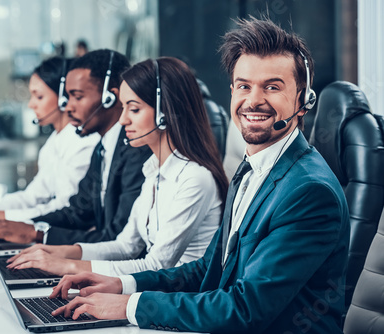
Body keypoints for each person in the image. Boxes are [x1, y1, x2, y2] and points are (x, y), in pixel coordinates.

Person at [49, 17, 350, 334]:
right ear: (232, 92)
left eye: (272, 87)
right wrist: (122, 284)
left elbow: (246, 309)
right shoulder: (253, 169)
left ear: (303, 100)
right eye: (244, 86)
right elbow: (210, 269)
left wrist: (129, 306)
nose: (254, 100)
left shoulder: (308, 191)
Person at [5, 57, 229, 277]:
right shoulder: (153, 171)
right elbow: (125, 246)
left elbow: (158, 264)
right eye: (123, 108)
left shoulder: (195, 179)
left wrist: (68, 266)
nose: (122, 120)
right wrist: (59, 252)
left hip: (178, 301)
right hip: (154, 292)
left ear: (164, 113)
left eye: (134, 109)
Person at [0, 49, 152, 246]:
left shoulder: (136, 151)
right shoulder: (102, 148)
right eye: (68, 97)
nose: (68, 107)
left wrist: (38, 234)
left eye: (77, 97)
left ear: (110, 98)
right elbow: (77, 213)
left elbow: (118, 237)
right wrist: (22, 227)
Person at [0, 57, 99, 224]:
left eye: (39, 97)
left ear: (64, 98)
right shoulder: (54, 141)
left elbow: (63, 209)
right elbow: (32, 197)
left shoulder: (84, 142)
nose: (31, 104)